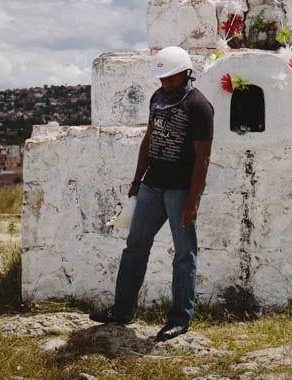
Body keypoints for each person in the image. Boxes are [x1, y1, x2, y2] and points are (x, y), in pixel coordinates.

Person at [90, 45, 214, 341]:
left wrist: (192, 201)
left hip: (180, 190)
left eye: (171, 79)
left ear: (185, 74)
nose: (166, 84)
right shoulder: (157, 99)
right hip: (152, 184)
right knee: (135, 246)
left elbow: (203, 158)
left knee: (184, 254)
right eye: (162, 79)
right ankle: (122, 310)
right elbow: (149, 139)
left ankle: (180, 319)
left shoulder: (199, 106)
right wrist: (136, 181)